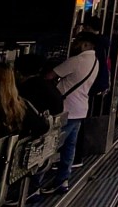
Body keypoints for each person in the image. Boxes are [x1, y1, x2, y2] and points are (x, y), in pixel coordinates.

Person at [42, 32, 100, 194]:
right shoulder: (95, 62)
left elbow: (50, 75)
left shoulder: (77, 60)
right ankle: (63, 179)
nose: (75, 44)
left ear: (86, 44)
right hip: (80, 108)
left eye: (78, 42)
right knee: (69, 146)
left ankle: (34, 186)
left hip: (65, 109)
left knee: (50, 146)